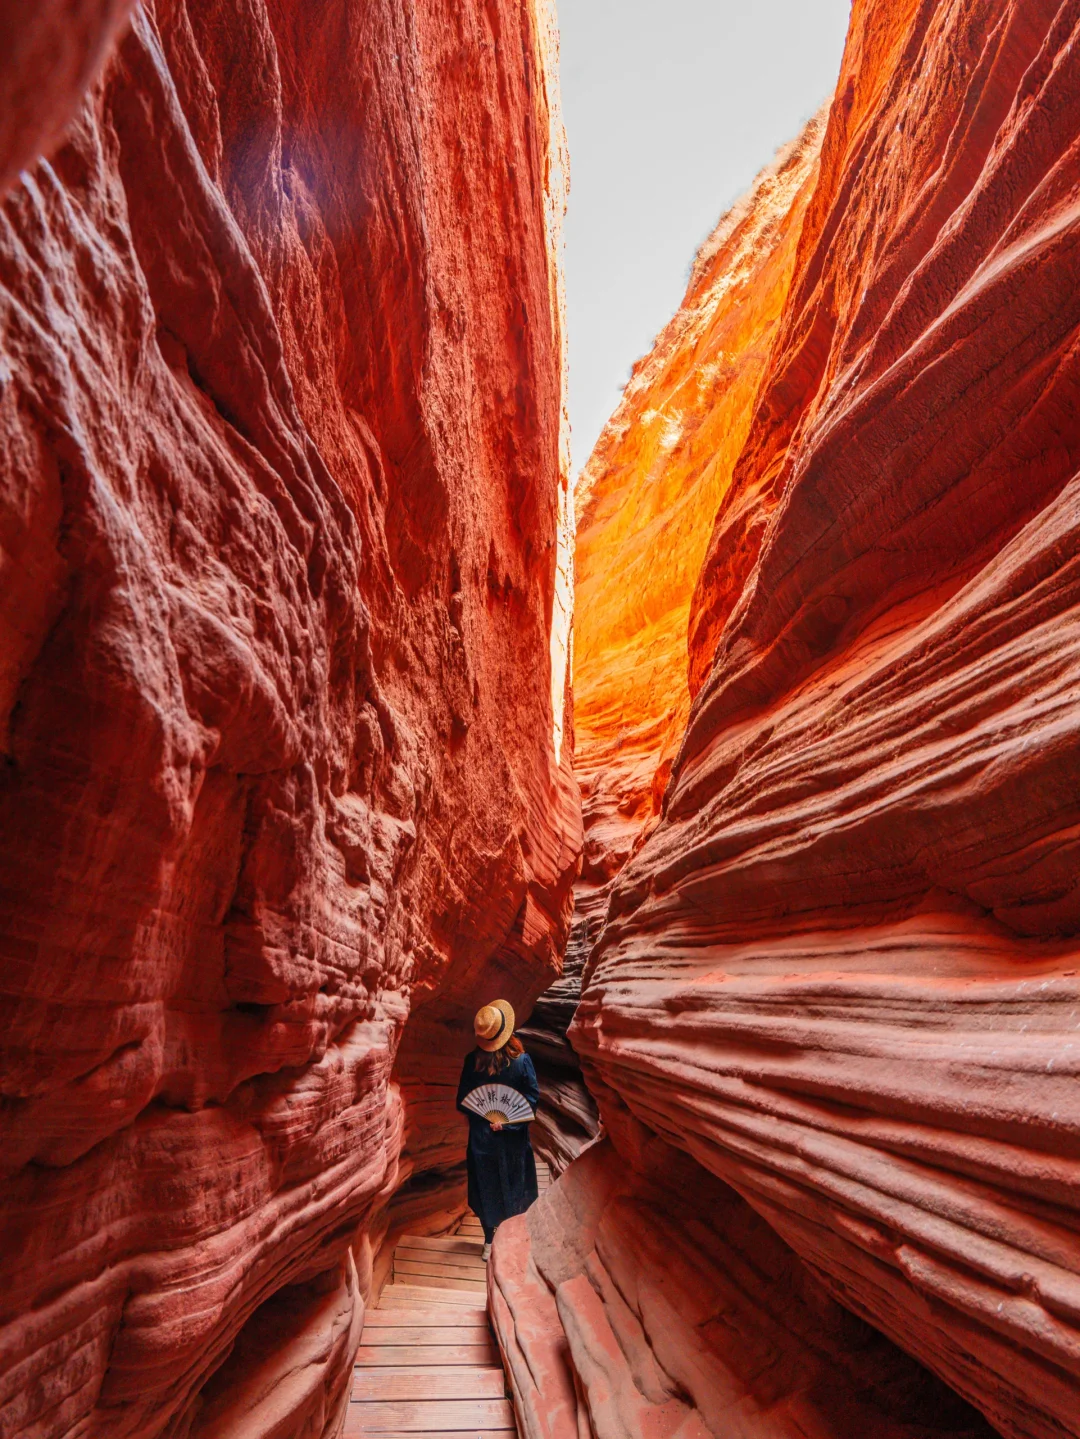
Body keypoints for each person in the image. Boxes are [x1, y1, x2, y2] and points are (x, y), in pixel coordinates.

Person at [456, 999, 540, 1260]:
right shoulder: (522, 1061)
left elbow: (463, 1099)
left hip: (482, 1137)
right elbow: (532, 1098)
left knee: (486, 1184)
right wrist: (508, 1122)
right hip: (512, 1136)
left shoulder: (472, 1061)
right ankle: (513, 1239)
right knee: (515, 1182)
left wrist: (483, 1118)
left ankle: (489, 1241)